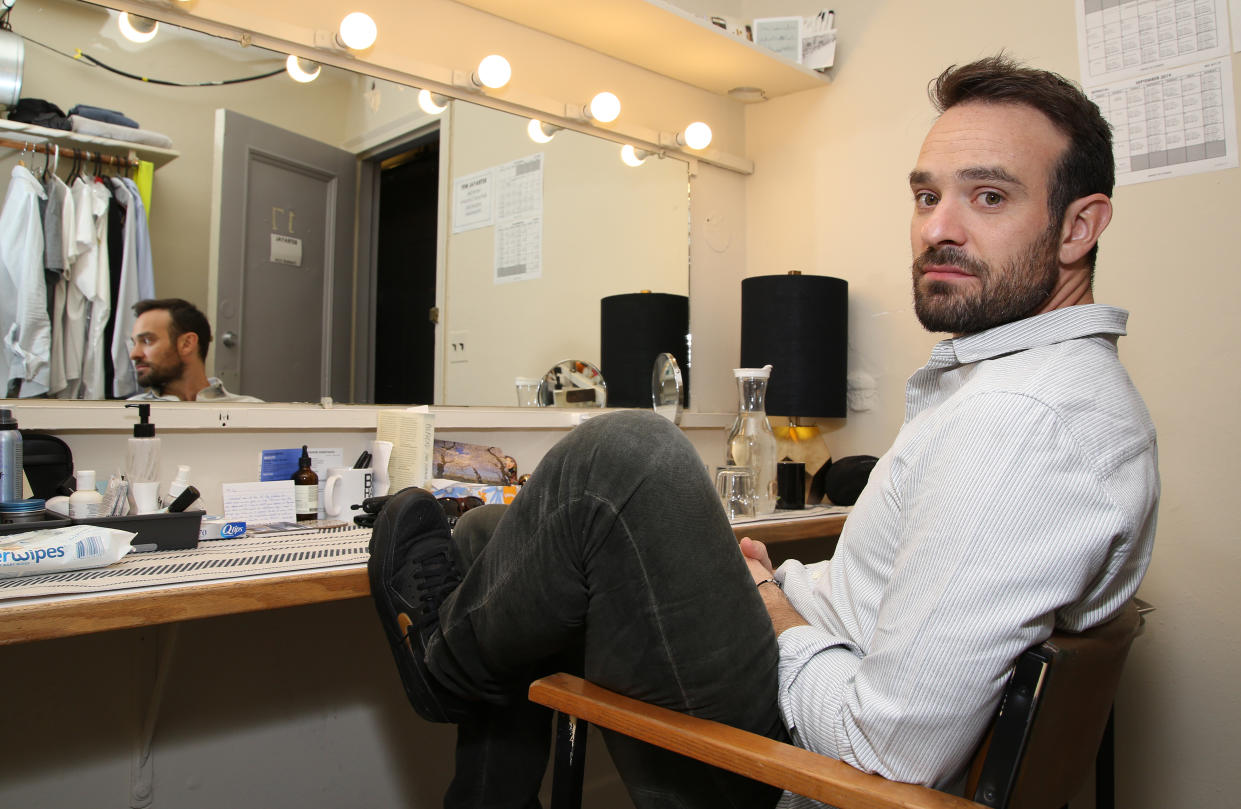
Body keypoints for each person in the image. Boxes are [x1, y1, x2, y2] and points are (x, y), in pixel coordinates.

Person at [367, 55, 1159, 809]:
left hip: (797, 778)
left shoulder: (1022, 422)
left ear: (1076, 227)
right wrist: (783, 586)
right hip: (806, 700)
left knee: (626, 459)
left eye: (988, 197)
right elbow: (888, 612)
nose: (935, 229)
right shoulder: (1032, 393)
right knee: (502, 536)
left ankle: (443, 670)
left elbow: (889, 751)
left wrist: (772, 610)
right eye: (925, 197)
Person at [127, 298, 261, 402]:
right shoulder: (123, 414)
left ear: (187, 344)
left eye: (147, 341)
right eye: (134, 343)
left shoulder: (253, 412)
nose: (134, 354)